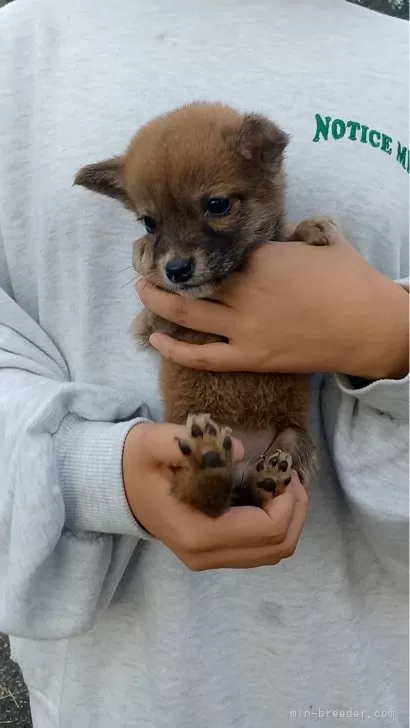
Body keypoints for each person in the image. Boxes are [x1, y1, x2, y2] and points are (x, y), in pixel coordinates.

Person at [0, 0, 408, 726]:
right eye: (152, 225)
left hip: (372, 679)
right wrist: (89, 467)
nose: (178, 257)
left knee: (283, 445)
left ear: (263, 155)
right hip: (123, 685)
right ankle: (214, 477)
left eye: (215, 207)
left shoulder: (399, 60)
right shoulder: (21, 48)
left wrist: (394, 338)